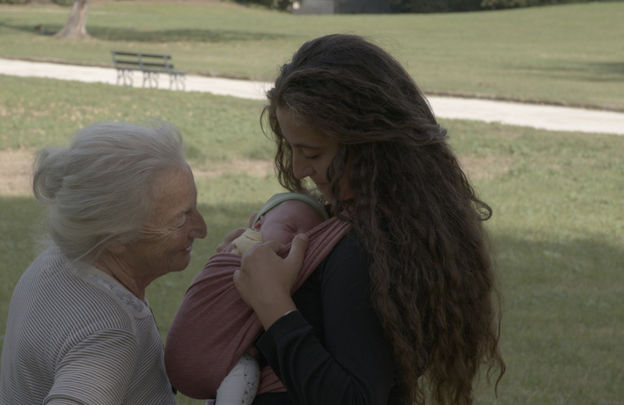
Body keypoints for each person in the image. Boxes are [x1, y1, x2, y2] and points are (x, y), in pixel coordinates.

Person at [172, 34, 506, 405]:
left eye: (312, 153)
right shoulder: (394, 231)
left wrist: (273, 303)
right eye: (291, 149)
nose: (298, 169)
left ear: (368, 144)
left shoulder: (363, 250)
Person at [0, 122, 207, 404]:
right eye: (180, 218)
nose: (201, 229)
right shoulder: (109, 336)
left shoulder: (55, 262)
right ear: (116, 236)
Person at [212, 192, 329, 405]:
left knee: (244, 371)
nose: (299, 239)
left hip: (246, 359)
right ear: (257, 225)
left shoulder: (299, 279)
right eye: (290, 229)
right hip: (219, 347)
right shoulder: (239, 254)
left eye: (309, 239)